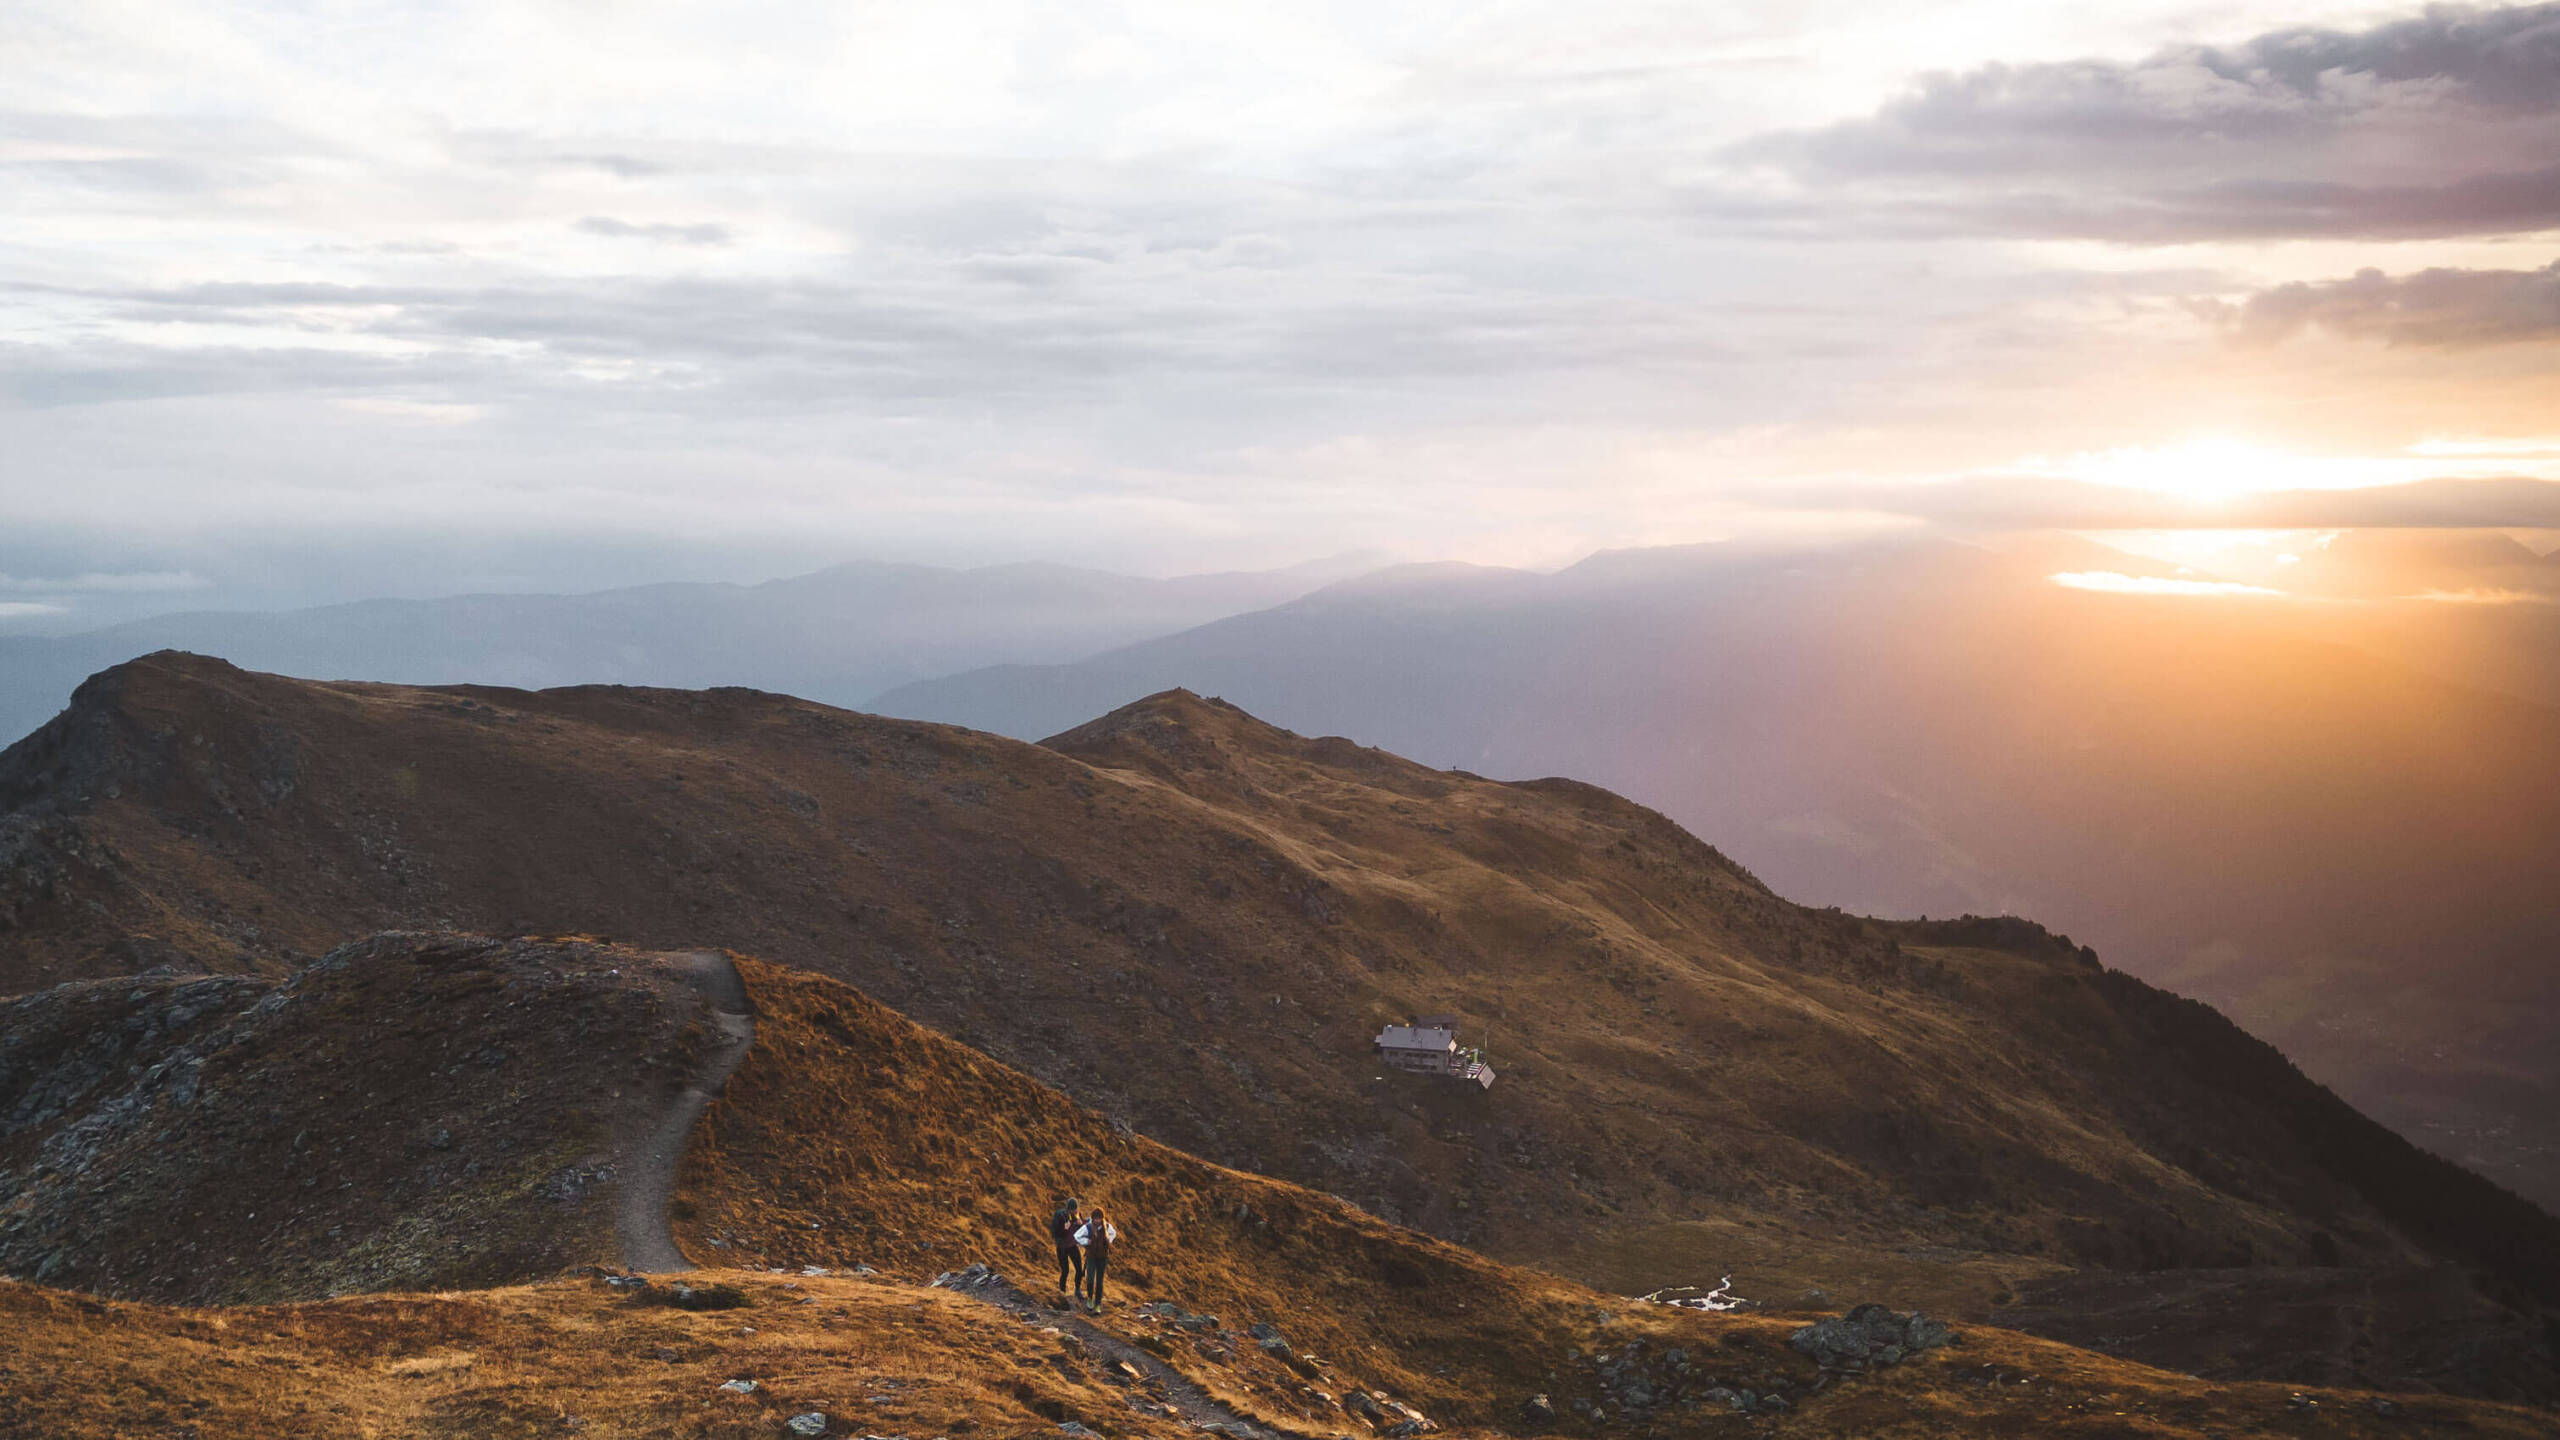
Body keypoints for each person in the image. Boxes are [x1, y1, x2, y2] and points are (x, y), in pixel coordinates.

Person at [1075, 1207, 1119, 1312]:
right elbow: (1077, 1236)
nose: (1097, 1220)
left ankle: (1098, 1304)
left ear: (1102, 1218)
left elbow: (1113, 1234)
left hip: (1103, 1257)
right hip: (1091, 1257)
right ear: (1093, 1218)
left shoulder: (1107, 1227)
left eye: (1099, 1218)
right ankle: (1090, 1298)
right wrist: (1086, 1241)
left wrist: (1108, 1241)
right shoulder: (1088, 1227)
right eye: (1095, 1218)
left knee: (1100, 1281)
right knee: (1090, 1279)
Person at [1048, 1196, 1084, 1297]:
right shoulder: (1061, 1217)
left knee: (1079, 1269)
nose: (1075, 1211)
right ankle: (1062, 1291)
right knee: (1065, 1270)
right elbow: (1056, 1233)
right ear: (1068, 1209)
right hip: (1062, 1247)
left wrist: (1081, 1225)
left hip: (1072, 1246)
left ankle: (1077, 1289)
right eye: (1073, 1210)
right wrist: (1065, 1228)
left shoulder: (1077, 1216)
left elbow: (1082, 1230)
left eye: (1076, 1209)